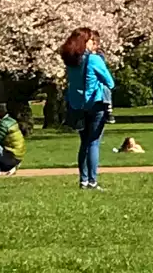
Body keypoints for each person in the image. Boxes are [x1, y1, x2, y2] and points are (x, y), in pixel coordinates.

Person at [59, 27, 115, 190]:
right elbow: (110, 82)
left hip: (77, 105)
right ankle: (92, 181)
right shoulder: (93, 60)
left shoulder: (71, 61)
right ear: (85, 42)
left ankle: (83, 180)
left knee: (84, 142)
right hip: (95, 103)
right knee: (93, 143)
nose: (95, 44)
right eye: (92, 41)